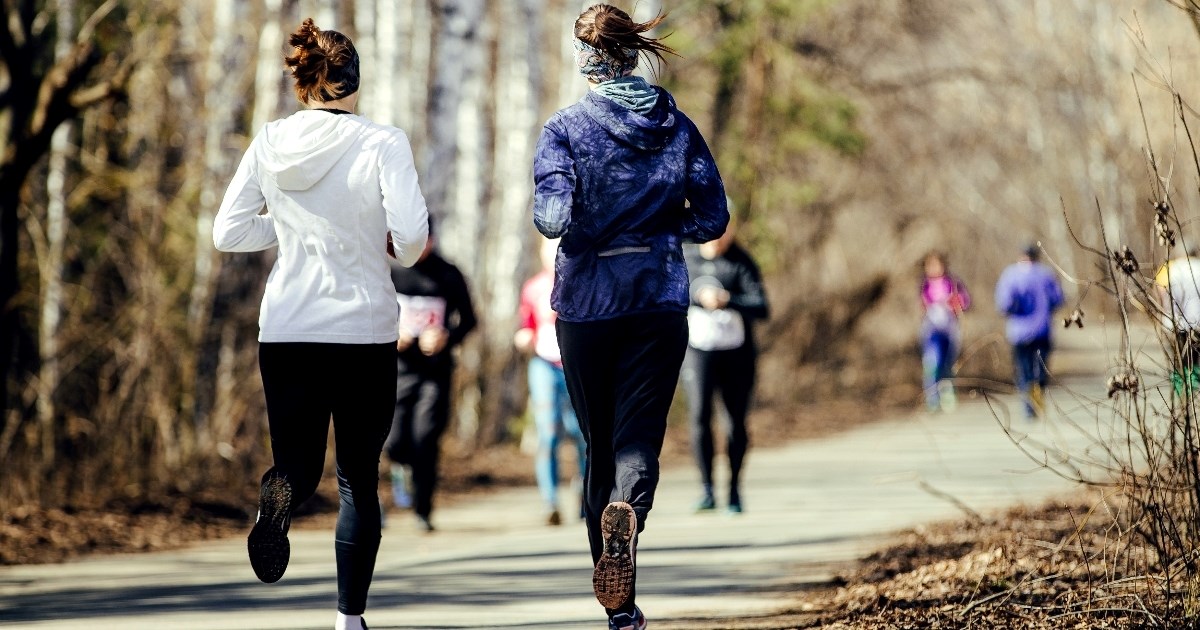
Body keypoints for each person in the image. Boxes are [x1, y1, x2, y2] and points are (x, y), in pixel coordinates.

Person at [212, 18, 428, 630]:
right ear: (354, 83)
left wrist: (287, 227)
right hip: (362, 331)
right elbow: (411, 242)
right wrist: (381, 241)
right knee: (359, 477)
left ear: (303, 83)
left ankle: (281, 491)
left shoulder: (270, 140)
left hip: (287, 330)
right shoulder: (383, 142)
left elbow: (227, 231)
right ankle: (349, 618)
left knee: (301, 465)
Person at [532, 5, 728, 629]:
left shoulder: (564, 129)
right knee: (638, 436)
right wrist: (665, 226)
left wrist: (578, 213)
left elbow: (552, 219)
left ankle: (620, 609)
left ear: (586, 60)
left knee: (598, 446)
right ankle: (630, 513)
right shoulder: (676, 124)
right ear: (631, 54)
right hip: (659, 299)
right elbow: (714, 218)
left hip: (588, 305)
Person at [383, 227, 477, 533]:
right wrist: (390, 333)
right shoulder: (390, 269)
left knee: (426, 439)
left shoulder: (448, 273)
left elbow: (470, 320)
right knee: (394, 443)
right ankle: (401, 470)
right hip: (395, 370)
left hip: (435, 372)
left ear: (432, 241)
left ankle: (423, 510)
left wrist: (446, 337)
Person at [681, 221, 768, 515]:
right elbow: (667, 298)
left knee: (735, 423)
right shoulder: (686, 259)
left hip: (736, 354)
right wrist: (697, 298)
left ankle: (733, 489)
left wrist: (728, 300)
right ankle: (706, 489)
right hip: (697, 353)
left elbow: (762, 306)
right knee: (699, 418)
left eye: (725, 231)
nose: (718, 238)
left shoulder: (741, 262)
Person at [515, 238, 587, 526]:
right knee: (548, 433)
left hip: (577, 367)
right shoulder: (533, 288)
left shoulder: (583, 282)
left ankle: (586, 496)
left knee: (582, 435)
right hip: (544, 365)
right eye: (549, 248)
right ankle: (550, 502)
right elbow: (526, 326)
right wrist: (524, 337)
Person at [994, 244, 1064, 419]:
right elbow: (1058, 299)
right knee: (1040, 369)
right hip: (1042, 330)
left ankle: (1028, 407)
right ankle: (1037, 399)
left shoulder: (1010, 275)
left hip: (1019, 333)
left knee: (1024, 370)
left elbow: (1004, 304)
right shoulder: (1046, 274)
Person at [919, 252, 970, 412]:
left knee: (947, 363)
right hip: (932, 330)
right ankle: (932, 397)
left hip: (949, 329)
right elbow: (923, 304)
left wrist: (954, 301)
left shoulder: (952, 283)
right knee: (932, 363)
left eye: (936, 264)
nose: (934, 269)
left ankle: (947, 394)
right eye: (930, 265)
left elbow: (965, 301)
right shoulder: (925, 285)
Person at [1154, 247, 1200, 395]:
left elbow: (1160, 291)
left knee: (1179, 361)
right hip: (1198, 323)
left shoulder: (1169, 268)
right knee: (1196, 360)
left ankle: (1181, 394)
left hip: (1175, 323)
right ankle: (1195, 393)